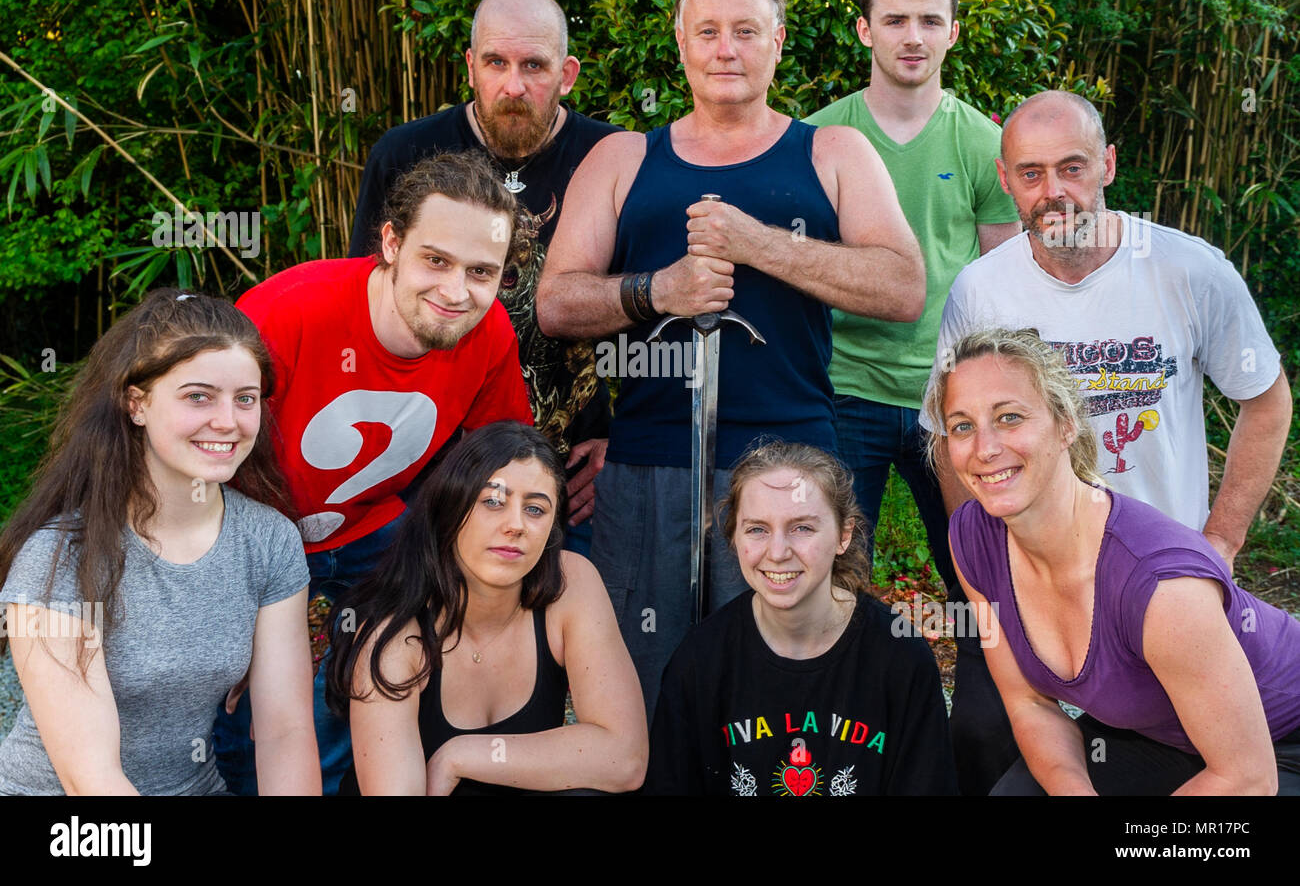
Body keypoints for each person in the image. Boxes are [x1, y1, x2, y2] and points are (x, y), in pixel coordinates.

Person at [536, 0, 925, 717]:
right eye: (708, 31)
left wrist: (760, 244)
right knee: (641, 689)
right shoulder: (622, 158)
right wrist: (658, 291)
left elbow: (902, 286)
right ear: (681, 43)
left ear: (778, 42)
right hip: (650, 468)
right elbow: (556, 301)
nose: (726, 48)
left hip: (791, 464)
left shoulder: (832, 153)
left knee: (783, 682)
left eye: (746, 30)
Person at [928, 90, 1293, 791]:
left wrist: (1220, 540)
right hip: (1050, 587)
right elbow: (957, 431)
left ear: (1108, 165)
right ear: (1004, 181)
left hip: (1159, 590)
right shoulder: (978, 289)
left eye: (1072, 166)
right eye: (1031, 173)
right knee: (988, 732)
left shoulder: (1188, 270)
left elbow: (1267, 401)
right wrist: (988, 544)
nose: (1053, 191)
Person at [214, 150, 534, 795]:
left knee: (360, 681)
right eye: (436, 261)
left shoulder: (489, 330)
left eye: (481, 272)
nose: (455, 291)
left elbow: (506, 457)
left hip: (372, 528)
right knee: (252, 709)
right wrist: (241, 599)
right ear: (391, 243)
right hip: (247, 529)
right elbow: (190, 446)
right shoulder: (289, 311)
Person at [804, 0, 1021, 795]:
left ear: (954, 31)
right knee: (830, 578)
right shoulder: (822, 135)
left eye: (931, 20)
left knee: (978, 577)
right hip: (844, 389)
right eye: (895, 18)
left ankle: (980, 748)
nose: (913, 35)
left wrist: (994, 407)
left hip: (950, 406)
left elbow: (1005, 289)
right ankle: (840, 750)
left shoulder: (983, 141)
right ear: (864, 28)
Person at [928, 327, 1300, 795]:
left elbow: (1247, 778)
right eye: (963, 425)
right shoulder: (972, 538)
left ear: (1066, 425)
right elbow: (1029, 703)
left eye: (1009, 417)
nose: (984, 448)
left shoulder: (1161, 584)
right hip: (1159, 736)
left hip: (1276, 745)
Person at [0, 289, 319, 795]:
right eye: (198, 396)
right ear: (137, 404)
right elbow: (91, 778)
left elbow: (285, 731)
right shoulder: (58, 556)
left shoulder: (270, 541)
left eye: (246, 398)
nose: (228, 421)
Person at [348, 0, 620, 555]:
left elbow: (651, 313)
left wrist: (619, 438)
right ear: (471, 67)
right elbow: (362, 308)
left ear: (567, 74)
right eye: (495, 62)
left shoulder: (613, 158)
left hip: (571, 471)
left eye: (534, 66)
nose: (513, 86)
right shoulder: (403, 154)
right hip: (426, 468)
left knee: (562, 629)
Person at [325, 421, 646, 795]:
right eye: (493, 501)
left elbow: (626, 760)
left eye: (536, 509)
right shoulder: (394, 632)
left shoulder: (571, 583)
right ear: (450, 509)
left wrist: (459, 755)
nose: (516, 525)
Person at [644, 441, 956, 796]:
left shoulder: (899, 657)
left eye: (802, 528)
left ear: (844, 534)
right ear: (733, 535)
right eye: (757, 529)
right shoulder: (700, 661)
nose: (777, 552)